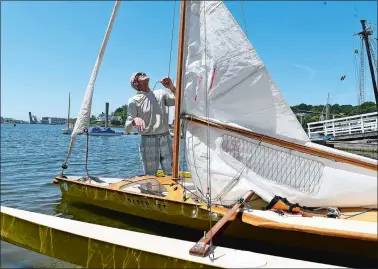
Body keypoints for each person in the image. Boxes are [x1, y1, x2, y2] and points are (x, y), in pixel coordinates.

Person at [125, 72, 176, 176]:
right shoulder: (133, 101)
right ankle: (151, 191)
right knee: (150, 175)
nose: (143, 73)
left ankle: (175, 190)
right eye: (139, 75)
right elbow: (127, 128)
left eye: (143, 73)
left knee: (173, 172)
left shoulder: (161, 93)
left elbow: (177, 100)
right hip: (148, 140)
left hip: (166, 137)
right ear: (135, 83)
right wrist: (134, 120)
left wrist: (171, 87)